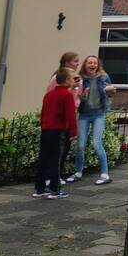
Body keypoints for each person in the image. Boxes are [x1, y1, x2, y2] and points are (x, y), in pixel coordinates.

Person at [67, 55, 115, 185]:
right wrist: (83, 95)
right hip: (84, 114)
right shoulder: (80, 78)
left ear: (98, 65)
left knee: (96, 143)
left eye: (95, 63)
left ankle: (105, 174)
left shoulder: (104, 77)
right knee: (80, 145)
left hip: (99, 114)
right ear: (85, 65)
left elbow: (111, 92)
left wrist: (110, 93)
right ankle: (78, 172)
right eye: (90, 63)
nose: (92, 65)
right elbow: (76, 97)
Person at [33, 67, 78, 199]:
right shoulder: (67, 95)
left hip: (46, 130)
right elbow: (70, 115)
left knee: (43, 158)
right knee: (56, 160)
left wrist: (43, 126)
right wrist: (74, 132)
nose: (74, 80)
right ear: (67, 80)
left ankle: (39, 188)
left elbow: (43, 113)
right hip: (59, 131)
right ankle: (54, 189)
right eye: (72, 78)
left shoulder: (48, 95)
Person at [46, 52, 82, 182]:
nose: (78, 64)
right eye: (75, 61)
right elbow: (54, 95)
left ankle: (57, 175)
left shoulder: (78, 79)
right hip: (58, 118)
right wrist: (71, 88)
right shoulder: (57, 78)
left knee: (65, 148)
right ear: (67, 63)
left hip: (70, 116)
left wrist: (81, 96)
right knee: (56, 149)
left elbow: (77, 97)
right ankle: (50, 177)